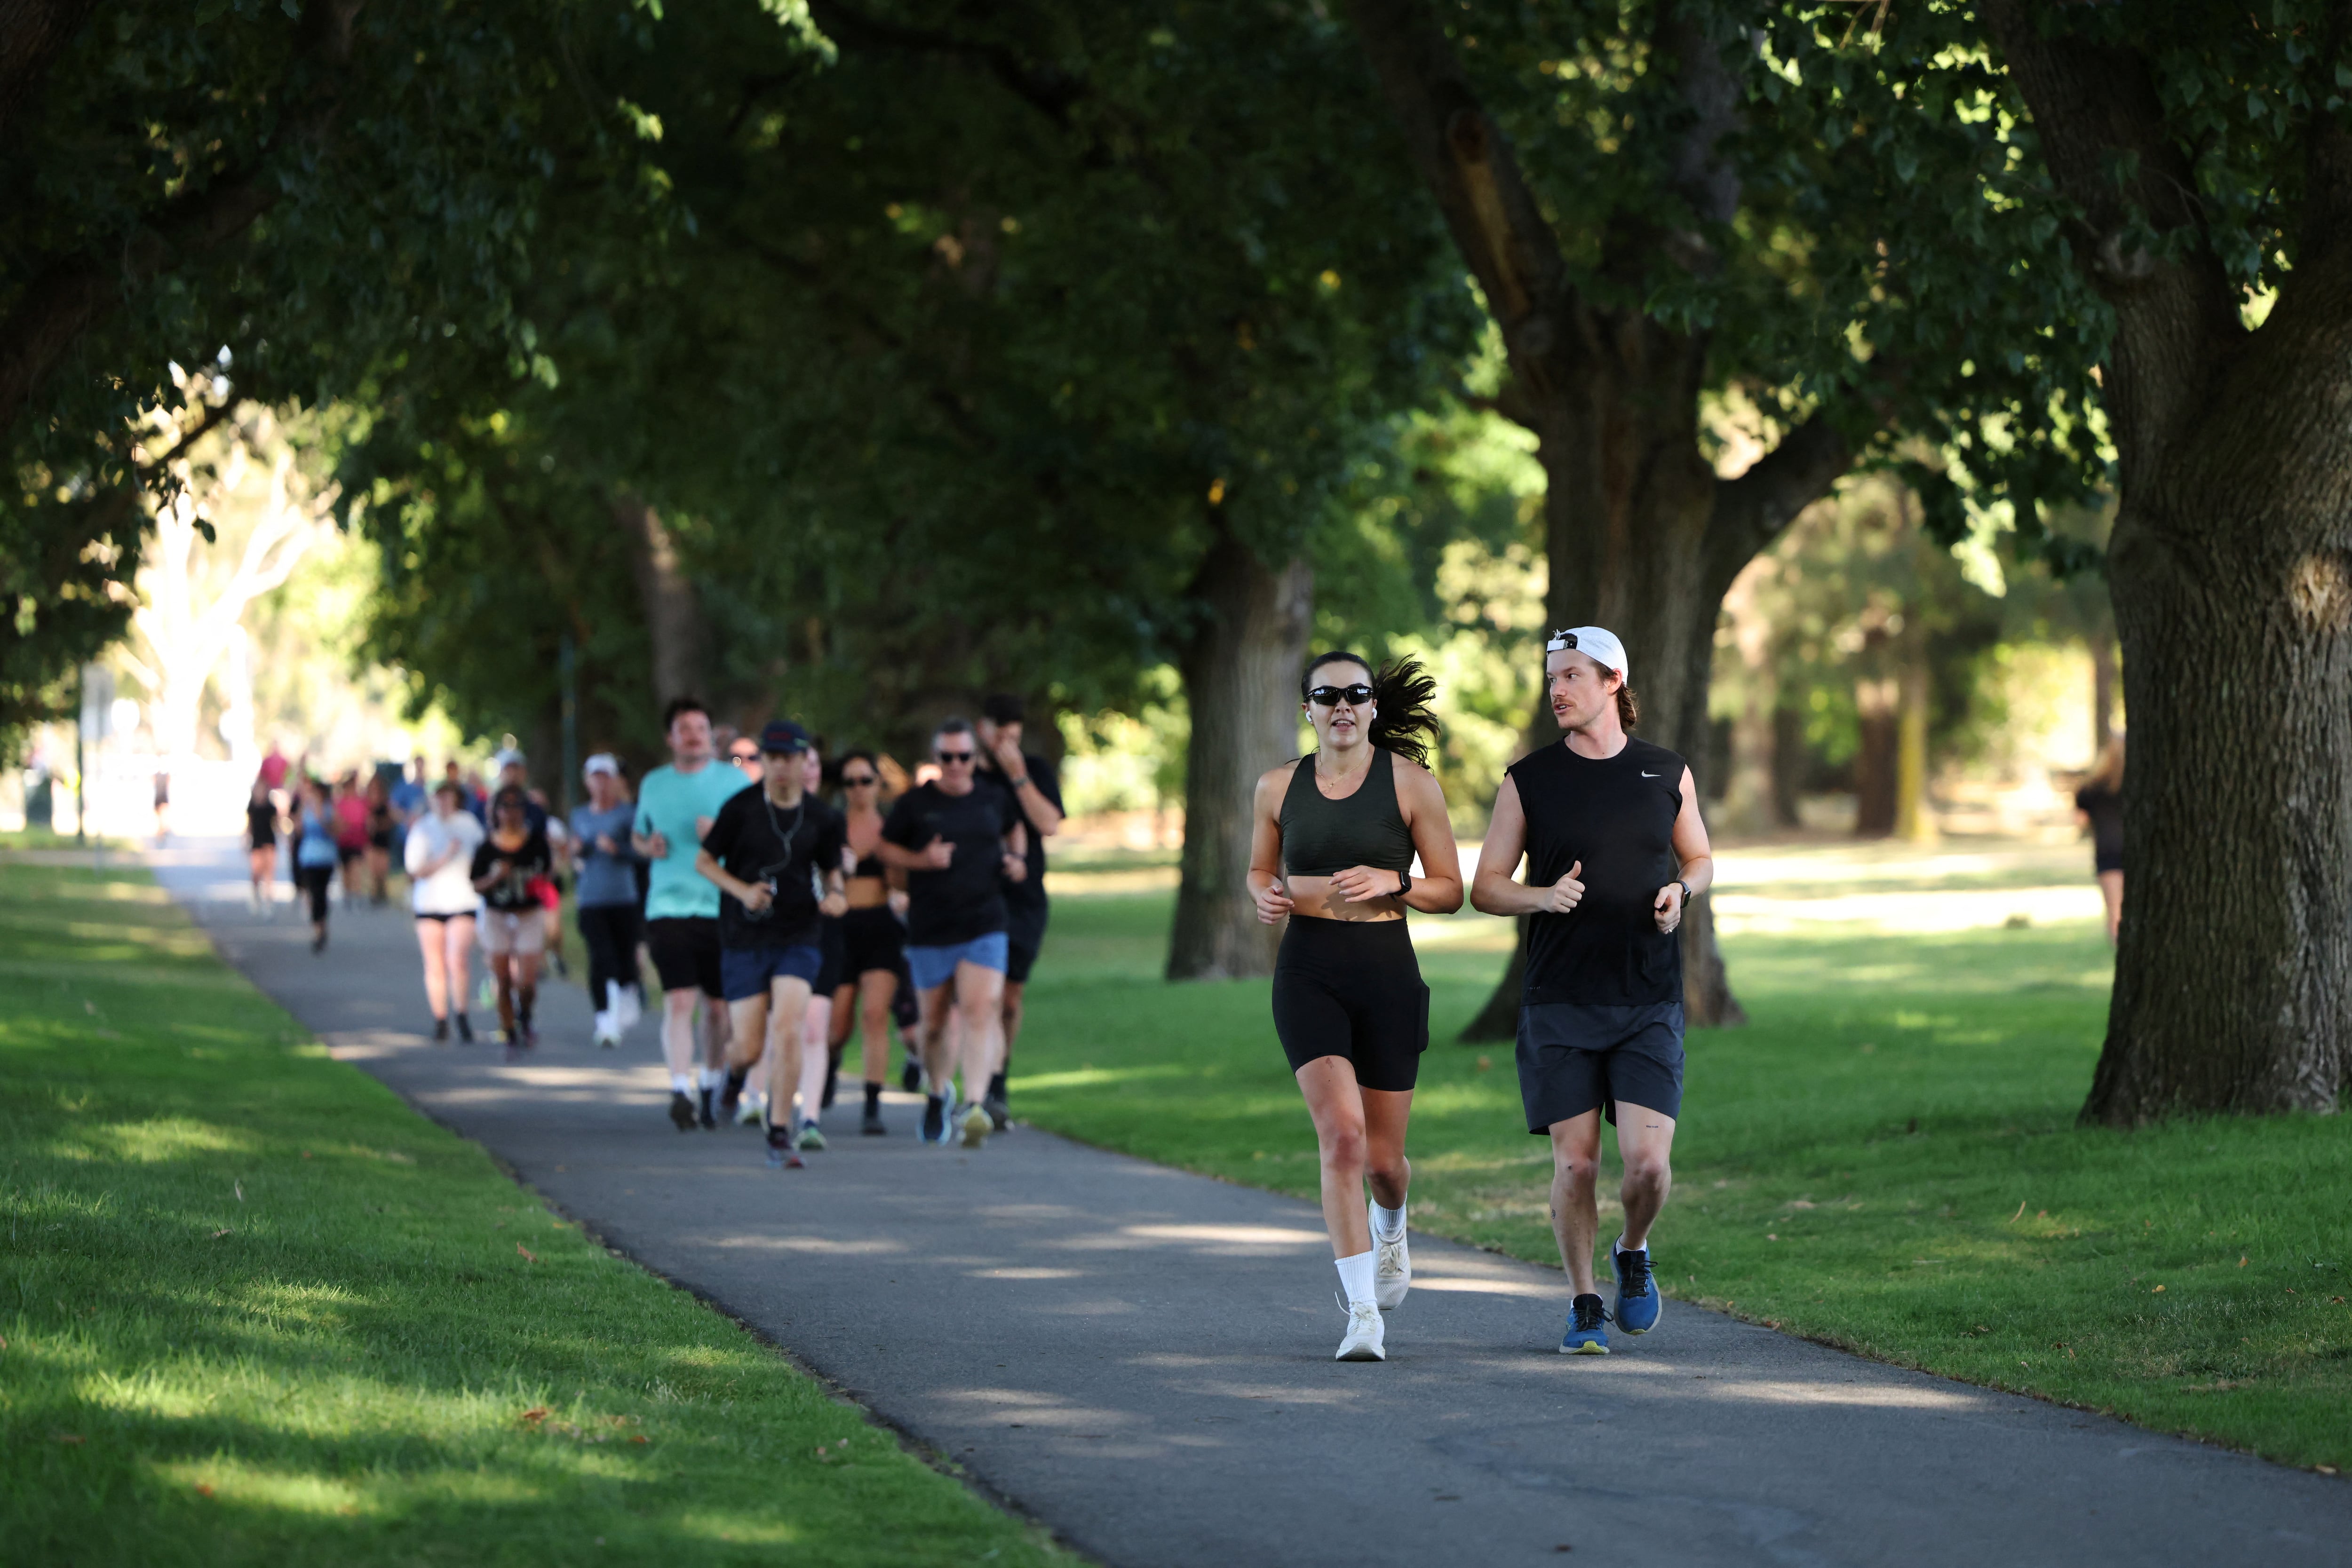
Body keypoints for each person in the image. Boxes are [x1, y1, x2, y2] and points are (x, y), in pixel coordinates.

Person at [1470, 626, 1713, 1357]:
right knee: (1576, 1164)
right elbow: (1486, 885)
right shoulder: (1529, 779)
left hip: (1647, 999)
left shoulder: (1665, 771)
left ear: (1614, 682)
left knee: (1648, 1166)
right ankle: (1583, 1303)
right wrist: (1542, 897)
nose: (1557, 689)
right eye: (1552, 677)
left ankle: (1632, 1248)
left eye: (1572, 675)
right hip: (1560, 1000)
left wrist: (1680, 891)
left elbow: (1700, 857)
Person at [1247, 653, 1461, 1362]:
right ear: (1307, 708)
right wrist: (1263, 893)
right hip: (1307, 970)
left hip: (1386, 972)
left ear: (1373, 706)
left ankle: (1391, 1224)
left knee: (1383, 1161)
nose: (1342, 705)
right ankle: (1362, 1312)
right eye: (1327, 694)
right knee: (1341, 1137)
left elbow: (1450, 889)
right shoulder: (1277, 785)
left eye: (1356, 693)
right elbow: (1260, 867)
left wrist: (1394, 879)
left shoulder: (1411, 784)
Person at [695, 720, 849, 1168]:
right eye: (772, 758)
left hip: (799, 935)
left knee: (789, 1028)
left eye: (789, 758)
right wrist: (742, 891)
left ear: (805, 761)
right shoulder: (741, 808)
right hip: (744, 935)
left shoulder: (822, 817)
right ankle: (733, 1076)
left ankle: (779, 1130)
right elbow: (705, 861)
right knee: (748, 1046)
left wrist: (837, 895)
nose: (780, 767)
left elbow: (832, 870)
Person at [879, 719, 1028, 1148]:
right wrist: (921, 860)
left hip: (985, 923)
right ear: (936, 758)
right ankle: (937, 1092)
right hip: (931, 928)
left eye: (965, 756)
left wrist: (1017, 859)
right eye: (948, 757)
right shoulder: (915, 804)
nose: (957, 764)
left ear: (975, 758)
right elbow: (885, 848)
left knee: (981, 1010)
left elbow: (1015, 828)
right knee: (933, 1026)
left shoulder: (993, 798)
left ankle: (975, 1105)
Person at [634, 697, 751, 1130]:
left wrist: (720, 836)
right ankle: (679, 1088)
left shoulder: (734, 781)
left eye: (701, 728)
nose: (694, 736)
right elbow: (638, 835)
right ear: (671, 738)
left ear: (711, 736)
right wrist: (649, 847)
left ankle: (711, 1083)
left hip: (721, 905)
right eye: (685, 729)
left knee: (718, 1009)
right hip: (668, 904)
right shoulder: (654, 783)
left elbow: (753, 843)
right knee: (680, 999)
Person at [974, 694, 1065, 1130]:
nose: (1006, 745)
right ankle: (983, 1087)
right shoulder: (966, 774)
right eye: (1000, 737)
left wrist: (1019, 777)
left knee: (1009, 999)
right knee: (985, 998)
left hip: (1025, 901)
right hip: (977, 901)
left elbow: (1048, 824)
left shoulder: (1035, 771)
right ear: (982, 730)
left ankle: (999, 1079)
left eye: (1014, 737)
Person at [832, 748, 906, 1136]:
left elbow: (902, 883)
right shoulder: (833, 826)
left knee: (875, 1015)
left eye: (865, 780)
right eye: (851, 782)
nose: (859, 788)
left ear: (878, 784)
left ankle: (873, 1103)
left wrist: (893, 866)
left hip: (880, 926)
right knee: (838, 1026)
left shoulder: (891, 828)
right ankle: (829, 1061)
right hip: (841, 926)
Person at [472, 784, 554, 1053]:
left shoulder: (537, 843)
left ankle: (526, 1014)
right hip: (497, 915)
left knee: (527, 980)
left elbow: (549, 877)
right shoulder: (487, 846)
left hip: (528, 914)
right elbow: (475, 884)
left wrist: (544, 894)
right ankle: (508, 1029)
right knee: (503, 977)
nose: (511, 813)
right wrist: (495, 877)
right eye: (505, 807)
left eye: (517, 806)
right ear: (497, 812)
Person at [572, 754, 645, 1047]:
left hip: (623, 897)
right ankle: (604, 1019)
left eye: (606, 777)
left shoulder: (629, 814)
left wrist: (618, 849)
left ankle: (628, 992)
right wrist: (577, 850)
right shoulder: (579, 816)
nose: (601, 784)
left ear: (615, 781)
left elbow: (642, 853)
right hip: (591, 898)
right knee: (601, 958)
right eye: (596, 778)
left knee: (625, 959)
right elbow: (574, 854)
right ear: (587, 782)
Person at [406, 779, 485, 1041]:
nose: (443, 801)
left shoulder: (468, 824)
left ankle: (462, 1012)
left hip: (463, 901)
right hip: (430, 903)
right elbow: (415, 870)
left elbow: (482, 856)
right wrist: (445, 857)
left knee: (457, 958)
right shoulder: (423, 828)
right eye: (438, 796)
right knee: (435, 963)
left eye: (447, 796)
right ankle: (440, 1017)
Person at [2074, 733, 2126, 946]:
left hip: (2107, 854)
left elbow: (2081, 820)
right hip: (2134, 852)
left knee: (2115, 912)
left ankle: (2120, 950)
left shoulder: (2092, 789)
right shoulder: (2139, 787)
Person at [292, 776, 341, 954]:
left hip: (325, 858)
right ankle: (317, 928)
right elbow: (298, 830)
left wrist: (322, 816)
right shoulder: (306, 809)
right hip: (309, 858)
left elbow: (335, 830)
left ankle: (322, 925)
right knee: (313, 892)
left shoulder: (330, 811)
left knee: (321, 893)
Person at [332, 770, 369, 909]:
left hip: (358, 840)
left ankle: (356, 896)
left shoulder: (362, 802)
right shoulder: (340, 804)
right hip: (344, 841)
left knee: (356, 869)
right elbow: (337, 821)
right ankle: (347, 895)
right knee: (346, 870)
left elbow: (366, 819)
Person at [245, 774, 280, 917]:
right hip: (257, 841)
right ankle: (255, 896)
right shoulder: (252, 806)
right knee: (256, 871)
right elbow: (249, 825)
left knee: (269, 872)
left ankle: (268, 900)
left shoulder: (271, 807)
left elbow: (276, 824)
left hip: (269, 841)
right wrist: (246, 840)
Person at [363, 771, 396, 905]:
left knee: (382, 871)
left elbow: (391, 821)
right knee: (373, 870)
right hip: (371, 842)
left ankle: (382, 894)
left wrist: (378, 825)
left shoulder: (386, 804)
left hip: (383, 841)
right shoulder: (367, 804)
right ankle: (374, 894)